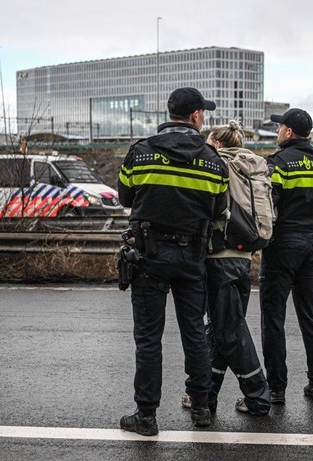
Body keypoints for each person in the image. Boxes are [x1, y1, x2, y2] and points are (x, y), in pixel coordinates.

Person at [117, 87, 228, 436]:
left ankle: (146, 416)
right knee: (194, 332)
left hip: (148, 255)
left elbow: (125, 197)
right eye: (203, 113)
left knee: (148, 338)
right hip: (192, 256)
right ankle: (201, 410)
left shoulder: (140, 153)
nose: (204, 118)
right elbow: (220, 209)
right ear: (195, 116)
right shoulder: (214, 161)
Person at [182, 121, 271, 416]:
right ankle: (205, 395)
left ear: (217, 144)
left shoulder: (218, 163)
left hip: (218, 257)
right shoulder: (253, 165)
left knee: (230, 331)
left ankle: (259, 396)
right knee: (221, 329)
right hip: (244, 258)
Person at [259, 108, 313, 405]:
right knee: (310, 316)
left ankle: (276, 388)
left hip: (281, 245)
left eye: (280, 127)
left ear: (288, 132)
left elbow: (268, 200)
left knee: (273, 317)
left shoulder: (277, 164)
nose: (278, 131)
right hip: (310, 245)